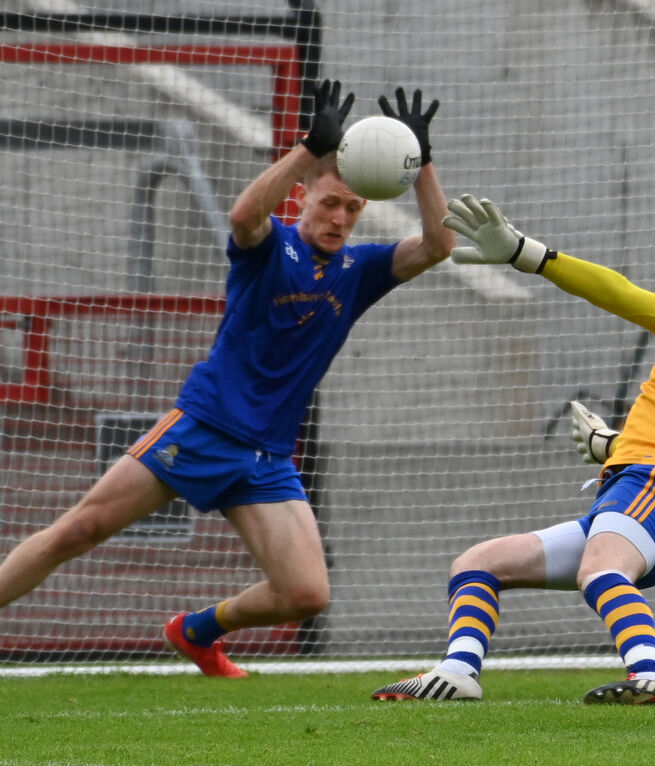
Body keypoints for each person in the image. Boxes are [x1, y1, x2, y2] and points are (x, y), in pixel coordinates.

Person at [0, 80, 455, 676]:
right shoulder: (269, 247)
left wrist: (421, 165)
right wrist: (303, 146)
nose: (340, 217)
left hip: (267, 457)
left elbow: (440, 245)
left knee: (305, 594)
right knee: (77, 530)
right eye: (329, 203)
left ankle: (196, 630)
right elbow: (244, 214)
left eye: (352, 208)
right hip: (206, 425)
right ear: (303, 196)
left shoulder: (360, 268)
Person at [370, 194, 655, 715]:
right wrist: (615, 448)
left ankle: (650, 675)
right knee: (479, 564)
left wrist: (528, 253)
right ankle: (458, 672)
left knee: (600, 572)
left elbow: (621, 294)